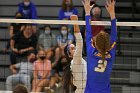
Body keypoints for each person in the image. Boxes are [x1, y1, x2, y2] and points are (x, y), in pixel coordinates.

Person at [83, 0, 117, 93]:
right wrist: (112, 14)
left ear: (96, 43)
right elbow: (114, 36)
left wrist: (87, 12)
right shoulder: (111, 54)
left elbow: (88, 31)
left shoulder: (91, 52)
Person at [62, 15, 87, 93]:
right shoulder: (76, 60)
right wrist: (75, 22)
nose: (76, 49)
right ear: (69, 55)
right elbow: (79, 41)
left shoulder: (76, 61)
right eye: (72, 49)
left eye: (75, 47)